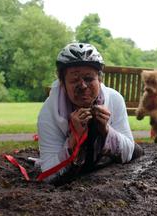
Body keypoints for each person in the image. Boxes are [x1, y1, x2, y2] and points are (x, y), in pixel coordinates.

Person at [37, 42, 143, 182]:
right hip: (74, 174)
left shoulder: (114, 99)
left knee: (137, 151)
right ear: (62, 83)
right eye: (74, 80)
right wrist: (73, 139)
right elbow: (49, 173)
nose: (83, 86)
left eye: (89, 79)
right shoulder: (49, 112)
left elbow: (129, 150)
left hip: (103, 167)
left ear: (100, 79)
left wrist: (106, 130)